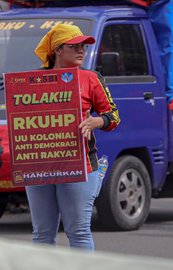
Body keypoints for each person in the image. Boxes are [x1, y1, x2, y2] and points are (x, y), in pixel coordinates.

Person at [29, 24, 120, 250]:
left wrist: (96, 121)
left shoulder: (91, 78)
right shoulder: (31, 80)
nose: (82, 50)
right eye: (75, 46)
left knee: (78, 232)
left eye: (84, 46)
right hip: (38, 164)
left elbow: (114, 116)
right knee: (42, 235)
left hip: (79, 163)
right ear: (58, 50)